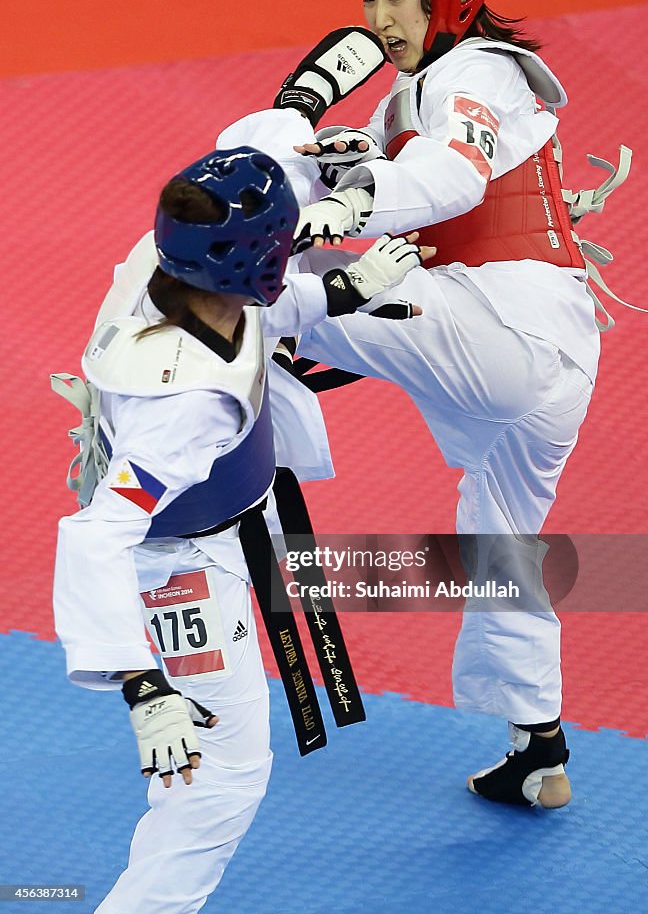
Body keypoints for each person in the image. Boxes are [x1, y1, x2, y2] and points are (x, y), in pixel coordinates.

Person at [221, 0, 648, 809]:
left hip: (511, 339)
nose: (379, 20)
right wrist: (318, 154)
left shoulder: (480, 74)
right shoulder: (408, 103)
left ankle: (229, 397)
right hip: (547, 369)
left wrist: (342, 206)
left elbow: (449, 178)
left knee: (267, 285)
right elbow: (401, 185)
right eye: (369, 0)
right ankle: (538, 748)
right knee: (499, 545)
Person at [52, 145, 430, 914]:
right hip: (179, 565)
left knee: (218, 771)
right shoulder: (183, 408)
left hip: (230, 518)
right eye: (282, 244)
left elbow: (261, 301)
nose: (289, 254)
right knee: (221, 775)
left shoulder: (183, 274)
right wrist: (143, 687)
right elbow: (97, 536)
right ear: (251, 259)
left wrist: (343, 289)